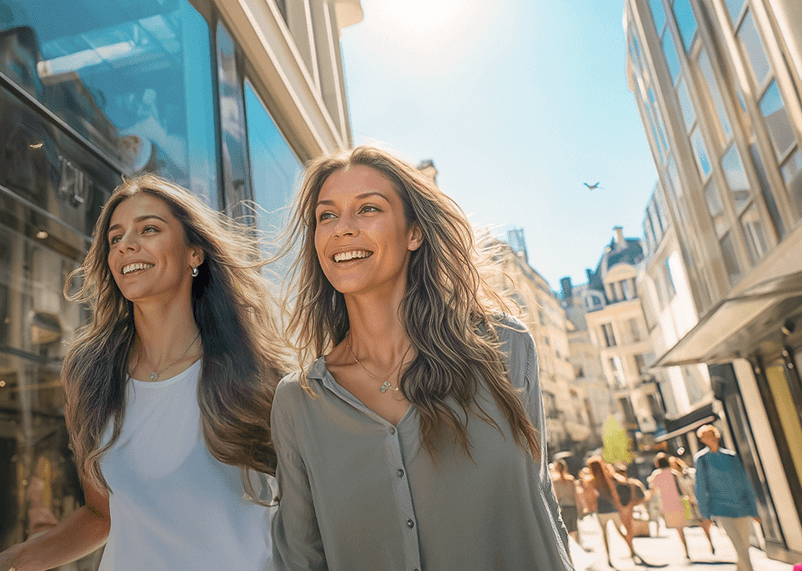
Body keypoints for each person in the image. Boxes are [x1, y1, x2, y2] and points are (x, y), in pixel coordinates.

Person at [269, 145, 575, 571]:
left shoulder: (505, 348)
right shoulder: (298, 403)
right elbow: (300, 558)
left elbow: (541, 502)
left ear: (414, 233)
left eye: (368, 209)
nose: (343, 228)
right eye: (327, 215)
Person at [0, 174, 287, 571]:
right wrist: (11, 560)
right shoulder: (92, 375)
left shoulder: (259, 375)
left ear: (195, 253)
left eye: (149, 229)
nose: (127, 245)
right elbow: (102, 514)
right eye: (115, 238)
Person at [694, 425, 761, 571]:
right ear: (702, 440)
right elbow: (700, 488)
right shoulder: (702, 459)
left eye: (712, 434)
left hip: (742, 507)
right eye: (706, 436)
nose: (710, 438)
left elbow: (745, 482)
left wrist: (754, 510)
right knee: (739, 547)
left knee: (744, 546)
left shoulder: (731, 456)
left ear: (717, 435)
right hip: (721, 508)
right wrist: (705, 515)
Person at [649, 453, 694, 559]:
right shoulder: (674, 473)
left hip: (668, 504)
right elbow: (683, 487)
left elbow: (653, 489)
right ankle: (687, 548)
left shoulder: (657, 475)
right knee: (683, 526)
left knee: (679, 528)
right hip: (680, 502)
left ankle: (685, 549)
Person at [670, 454, 716, 554]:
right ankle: (707, 545)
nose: (673, 468)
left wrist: (697, 498)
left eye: (674, 465)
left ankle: (711, 543)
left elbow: (699, 484)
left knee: (705, 523)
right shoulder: (677, 478)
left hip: (699, 500)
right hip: (690, 503)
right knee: (700, 523)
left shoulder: (691, 472)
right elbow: (682, 491)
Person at [551, 458, 583, 550]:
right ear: (566, 468)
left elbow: (556, 497)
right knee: (574, 529)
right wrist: (580, 508)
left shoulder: (555, 481)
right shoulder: (571, 479)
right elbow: (576, 496)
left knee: (565, 530)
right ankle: (577, 547)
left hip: (563, 508)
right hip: (572, 507)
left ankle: (568, 549)